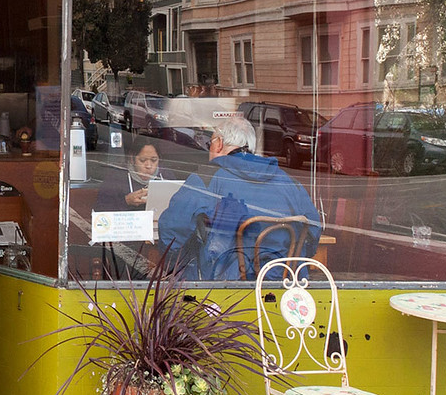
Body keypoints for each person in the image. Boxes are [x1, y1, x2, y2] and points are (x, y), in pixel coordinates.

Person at [156, 115, 321, 280]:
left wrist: (179, 265)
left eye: (209, 144)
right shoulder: (288, 182)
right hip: (282, 284)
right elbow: (313, 230)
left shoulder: (206, 178)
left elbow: (171, 233)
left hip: (223, 288)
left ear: (219, 144)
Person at [93, 142, 163, 279]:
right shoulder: (116, 179)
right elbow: (100, 216)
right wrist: (125, 201)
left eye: (154, 160)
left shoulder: (165, 176)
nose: (148, 166)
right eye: (142, 160)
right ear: (132, 158)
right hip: (125, 243)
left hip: (158, 241)